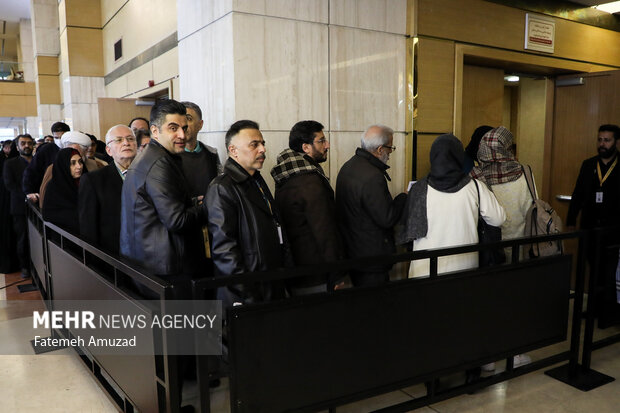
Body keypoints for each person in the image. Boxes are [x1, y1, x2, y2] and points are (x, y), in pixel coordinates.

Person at [120, 99, 206, 288]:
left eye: (184, 127)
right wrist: (207, 206)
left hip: (152, 262)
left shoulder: (155, 155)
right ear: (155, 131)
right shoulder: (159, 163)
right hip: (166, 268)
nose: (182, 135)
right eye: (173, 128)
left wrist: (190, 203)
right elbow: (177, 220)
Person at [207, 120, 288, 307]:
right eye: (254, 145)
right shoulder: (222, 188)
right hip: (247, 293)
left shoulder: (257, 180)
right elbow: (225, 251)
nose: (262, 150)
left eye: (263, 144)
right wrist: (248, 294)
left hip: (270, 281)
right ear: (233, 150)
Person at [403, 133, 506, 278]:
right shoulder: (476, 187)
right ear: (459, 157)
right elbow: (498, 219)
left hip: (425, 268)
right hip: (464, 267)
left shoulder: (418, 189)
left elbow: (407, 228)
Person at [271, 120, 344, 294]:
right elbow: (324, 230)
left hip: (296, 268)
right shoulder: (309, 181)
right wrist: (336, 273)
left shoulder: (287, 173)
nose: (327, 145)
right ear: (306, 147)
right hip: (316, 272)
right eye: (321, 141)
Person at [336, 124, 407, 287]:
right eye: (390, 148)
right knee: (376, 306)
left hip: (353, 252)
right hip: (371, 259)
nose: (390, 153)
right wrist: (403, 197)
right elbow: (387, 218)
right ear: (380, 149)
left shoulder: (348, 166)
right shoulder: (372, 177)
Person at [567, 124, 620, 327]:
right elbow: (578, 193)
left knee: (609, 273)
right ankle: (593, 310)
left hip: (613, 230)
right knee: (593, 270)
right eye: (600, 140)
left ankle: (608, 314)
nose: (602, 144)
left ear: (616, 142)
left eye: (607, 140)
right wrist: (572, 220)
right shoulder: (589, 164)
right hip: (590, 227)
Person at [470, 126, 534, 260]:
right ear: (507, 148)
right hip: (521, 245)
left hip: (490, 249)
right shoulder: (525, 172)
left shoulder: (475, 176)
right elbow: (532, 208)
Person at [79, 125, 137, 254]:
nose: (126, 143)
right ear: (109, 150)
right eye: (119, 140)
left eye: (130, 139)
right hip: (113, 254)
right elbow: (89, 227)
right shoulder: (93, 180)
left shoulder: (148, 175)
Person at [3, 134, 35, 277]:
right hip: (19, 207)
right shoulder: (10, 163)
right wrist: (27, 196)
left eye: (29, 143)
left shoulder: (37, 162)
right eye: (23, 143)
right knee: (23, 238)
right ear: (17, 147)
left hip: (38, 206)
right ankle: (25, 267)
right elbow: (10, 184)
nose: (26, 146)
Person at [179, 101, 221, 197]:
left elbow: (219, 186)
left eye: (188, 119)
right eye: (180, 120)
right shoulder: (169, 155)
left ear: (200, 125)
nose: (183, 125)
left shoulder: (212, 153)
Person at [23, 121, 70, 204]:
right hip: (50, 193)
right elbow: (31, 171)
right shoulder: (46, 150)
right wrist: (29, 191)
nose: (59, 140)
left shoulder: (73, 148)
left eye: (62, 137)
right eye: (56, 138)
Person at [42, 148, 84, 234]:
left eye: (80, 161)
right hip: (64, 237)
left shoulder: (85, 181)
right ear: (63, 165)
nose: (79, 166)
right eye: (73, 163)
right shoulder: (54, 186)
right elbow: (48, 214)